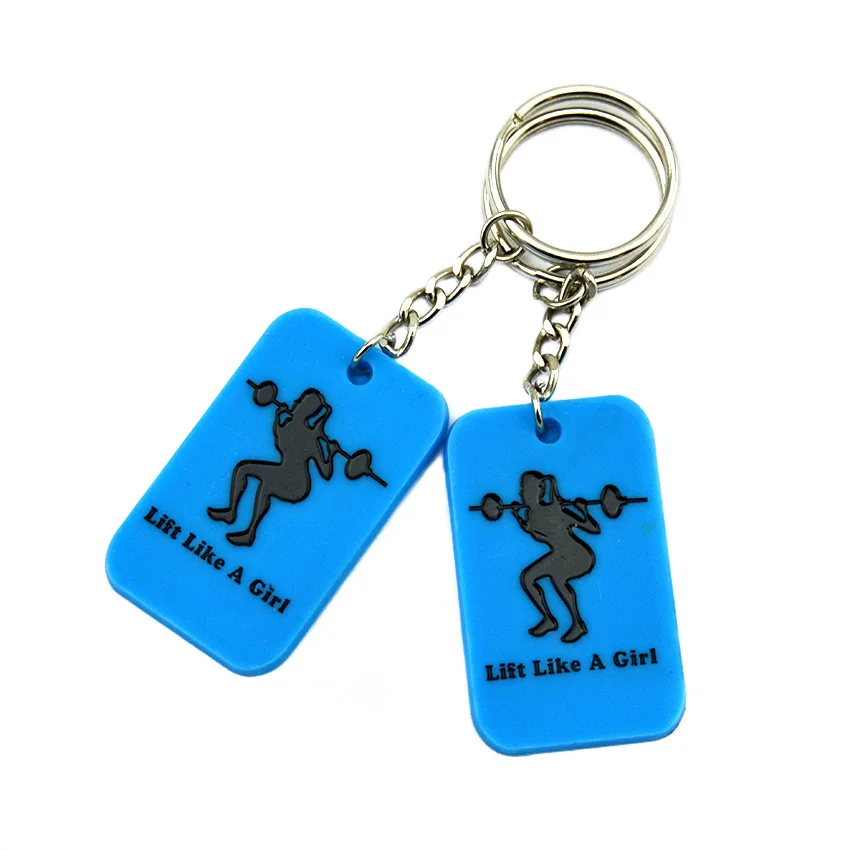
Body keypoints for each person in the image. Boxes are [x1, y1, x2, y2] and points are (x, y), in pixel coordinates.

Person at [207, 388, 337, 546]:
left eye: (300, 401)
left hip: (297, 484)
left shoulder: (311, 438)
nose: (295, 402)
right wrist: (277, 416)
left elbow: (326, 473)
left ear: (305, 408)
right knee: (243, 469)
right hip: (282, 471)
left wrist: (331, 453)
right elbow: (279, 437)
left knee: (266, 486)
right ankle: (231, 512)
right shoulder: (289, 426)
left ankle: (249, 534)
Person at [515, 471, 600, 643]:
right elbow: (530, 529)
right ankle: (549, 619)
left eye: (523, 489)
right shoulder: (532, 515)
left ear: (537, 490)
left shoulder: (556, 511)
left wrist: (583, 511)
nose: (520, 493)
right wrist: (516, 516)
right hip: (559, 554)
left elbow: (594, 529)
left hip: (578, 554)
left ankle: (577, 624)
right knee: (528, 578)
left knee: (557, 577)